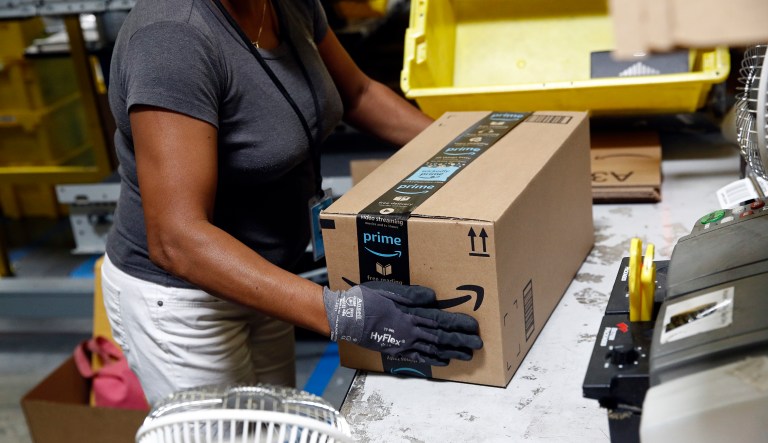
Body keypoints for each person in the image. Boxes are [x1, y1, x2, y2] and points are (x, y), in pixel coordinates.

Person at [102, 0, 483, 405]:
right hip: (187, 302)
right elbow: (177, 239)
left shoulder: (288, 4)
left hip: (264, 276)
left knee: (273, 424)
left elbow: (357, 93)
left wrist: (467, 150)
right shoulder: (172, 36)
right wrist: (343, 314)